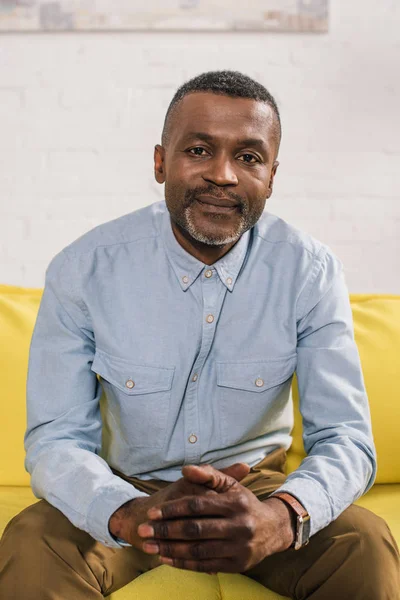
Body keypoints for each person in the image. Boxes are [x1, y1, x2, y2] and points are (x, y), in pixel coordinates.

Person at [0, 70, 399, 599]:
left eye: (249, 158)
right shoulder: (84, 268)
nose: (224, 175)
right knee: (31, 542)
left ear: (272, 176)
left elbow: (346, 437)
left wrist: (279, 518)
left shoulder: (310, 271)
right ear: (161, 162)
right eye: (199, 150)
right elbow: (55, 438)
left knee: (365, 542)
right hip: (126, 488)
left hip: (259, 491)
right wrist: (125, 511)